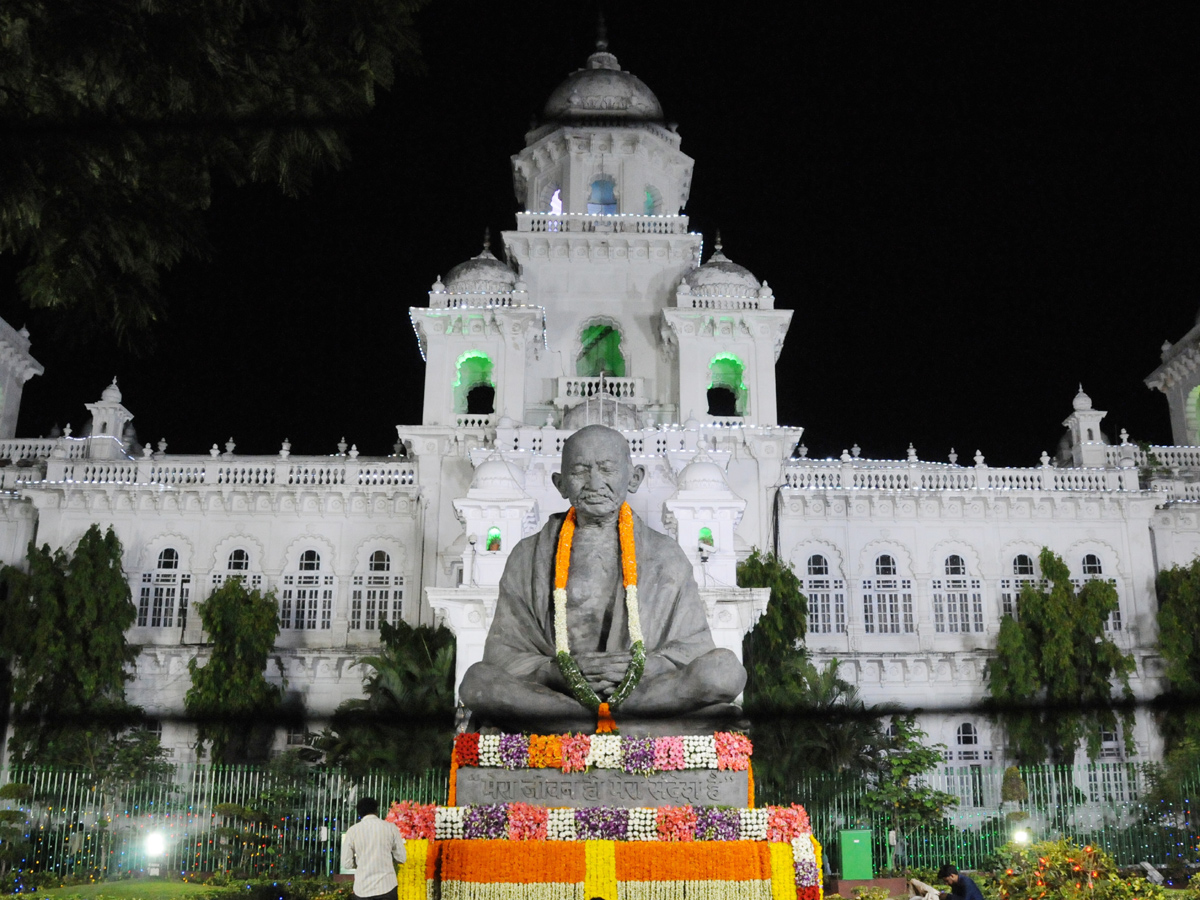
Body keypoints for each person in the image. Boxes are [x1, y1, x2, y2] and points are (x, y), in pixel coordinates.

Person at [459, 424, 745, 730]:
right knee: (477, 682)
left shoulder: (666, 555)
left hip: (643, 689)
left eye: (607, 469)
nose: (594, 482)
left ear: (634, 479)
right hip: (557, 693)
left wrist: (642, 668)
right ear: (560, 484)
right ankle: (625, 726)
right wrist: (555, 672)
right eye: (580, 470)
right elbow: (502, 654)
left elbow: (693, 649)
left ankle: (582, 725)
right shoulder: (528, 556)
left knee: (725, 670)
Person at [343, 797, 406, 900]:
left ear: (359, 813)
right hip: (387, 887)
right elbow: (402, 858)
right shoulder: (390, 828)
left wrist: (360, 862)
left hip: (362, 889)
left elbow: (346, 863)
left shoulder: (352, 831)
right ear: (376, 810)